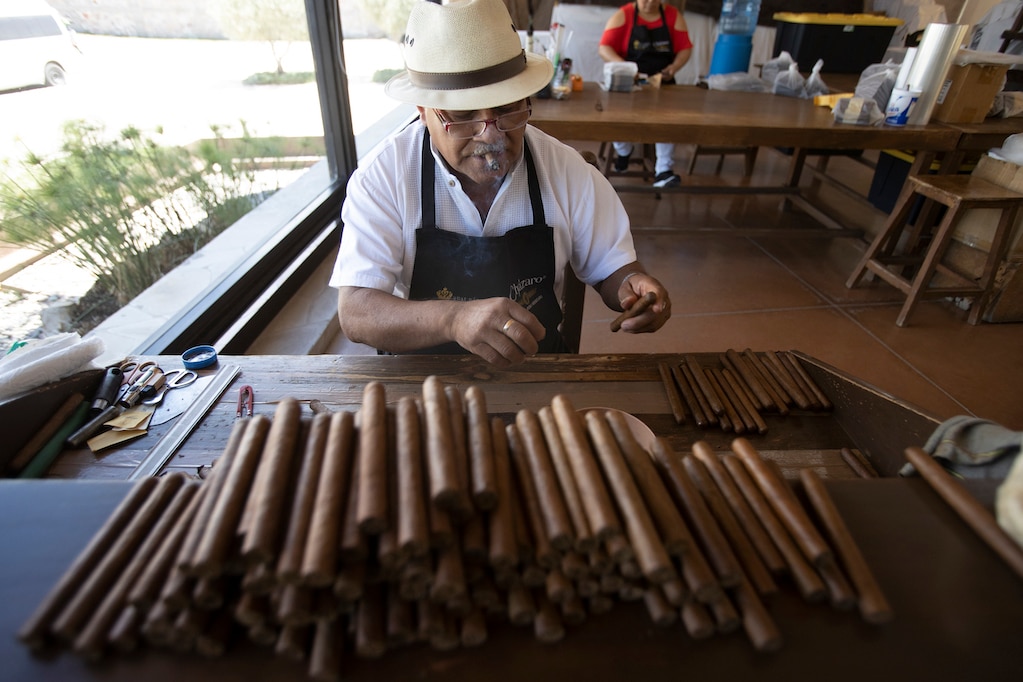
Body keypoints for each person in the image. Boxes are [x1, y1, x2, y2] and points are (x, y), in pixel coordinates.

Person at [329, 0, 671, 367]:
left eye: (508, 109)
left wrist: (633, 287)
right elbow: (357, 311)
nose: (489, 136)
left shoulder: (566, 170)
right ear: (422, 111)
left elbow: (613, 268)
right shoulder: (386, 175)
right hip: (422, 379)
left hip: (534, 371)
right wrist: (453, 319)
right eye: (462, 117)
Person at [598, 0, 693, 188]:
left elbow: (685, 48)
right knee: (616, 115)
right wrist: (626, 68)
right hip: (630, 83)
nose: (649, 3)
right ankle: (624, 151)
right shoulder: (623, 15)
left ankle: (663, 170)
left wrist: (674, 68)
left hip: (663, 85)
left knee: (669, 117)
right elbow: (604, 48)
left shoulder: (673, 17)